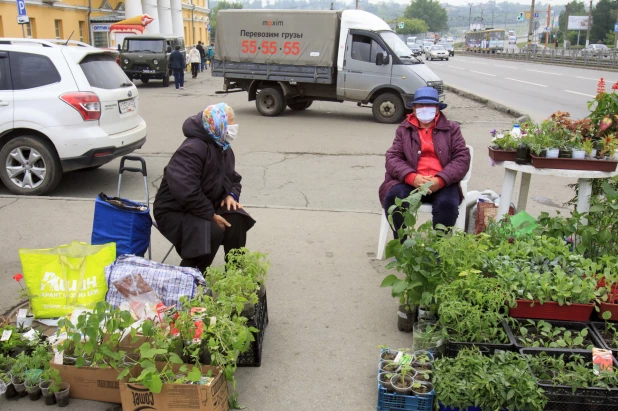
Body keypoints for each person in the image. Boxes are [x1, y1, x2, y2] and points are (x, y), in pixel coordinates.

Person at [154, 103, 254, 273]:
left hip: (202, 205)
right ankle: (191, 277)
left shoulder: (223, 147)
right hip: (175, 210)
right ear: (218, 124)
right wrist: (211, 215)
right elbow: (186, 191)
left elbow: (234, 178)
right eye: (230, 122)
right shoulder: (192, 149)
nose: (234, 126)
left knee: (236, 220)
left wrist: (231, 195)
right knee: (211, 231)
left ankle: (235, 275)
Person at [378, 86, 470, 237]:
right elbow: (393, 157)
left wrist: (440, 180)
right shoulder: (404, 129)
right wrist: (412, 178)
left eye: (430, 106)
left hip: (442, 182)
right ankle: (403, 246)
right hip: (411, 182)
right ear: (413, 109)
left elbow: (462, 158)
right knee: (395, 200)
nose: (425, 109)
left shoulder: (451, 129)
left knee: (447, 205)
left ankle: (438, 250)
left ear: (437, 109)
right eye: (420, 106)